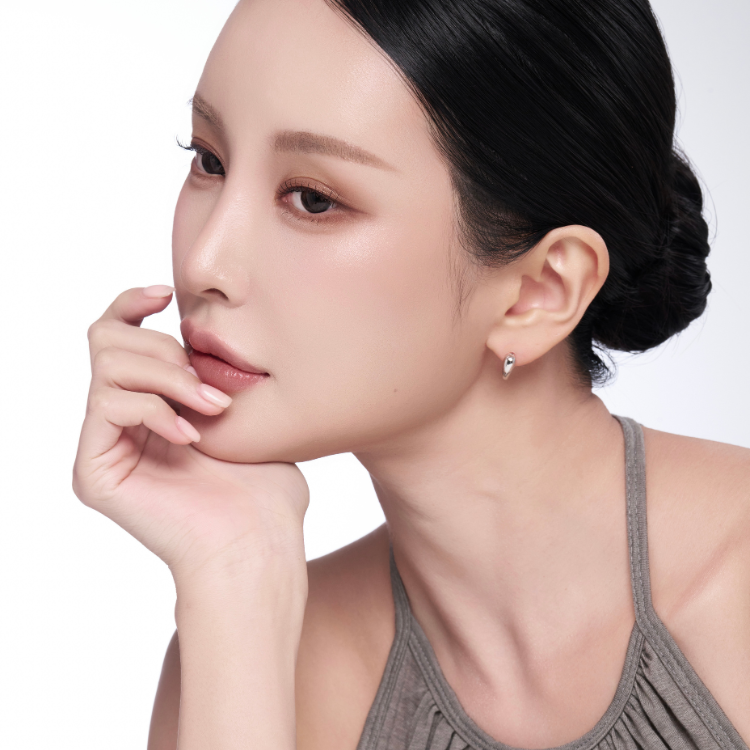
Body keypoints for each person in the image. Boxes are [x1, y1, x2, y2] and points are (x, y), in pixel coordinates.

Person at [72, 0, 750, 747]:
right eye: (209, 159)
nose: (206, 262)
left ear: (540, 291)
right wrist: (236, 572)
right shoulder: (244, 646)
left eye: (313, 199)